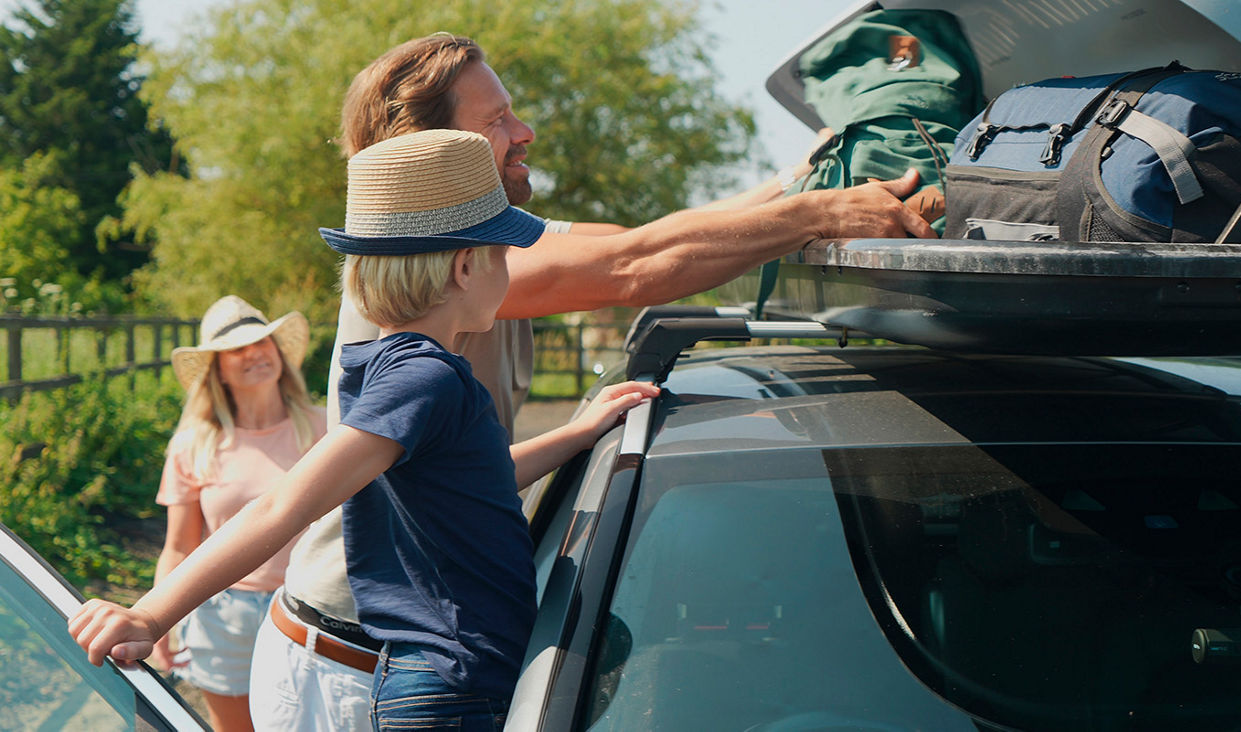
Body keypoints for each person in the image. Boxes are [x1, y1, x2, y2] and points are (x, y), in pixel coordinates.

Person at [252, 32, 938, 731]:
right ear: (433, 158)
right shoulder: (435, 259)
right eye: (494, 123)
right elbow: (629, 270)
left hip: (410, 660)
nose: (524, 133)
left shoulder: (485, 238)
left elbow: (636, 238)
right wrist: (819, 216)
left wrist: (797, 185)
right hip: (361, 669)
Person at [69, 128, 660, 729]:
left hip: (445, 677)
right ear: (464, 265)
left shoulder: (384, 368)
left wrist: (577, 434)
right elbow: (281, 506)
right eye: (504, 253)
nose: (510, 269)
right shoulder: (425, 380)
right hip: (453, 685)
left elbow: (476, 480)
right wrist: (149, 616)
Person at [150, 295, 326, 731]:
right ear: (218, 370)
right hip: (223, 614)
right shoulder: (194, 444)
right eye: (237, 349)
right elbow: (179, 546)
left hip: (310, 608)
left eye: (263, 342)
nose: (254, 353)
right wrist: (158, 620)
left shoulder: (326, 429)